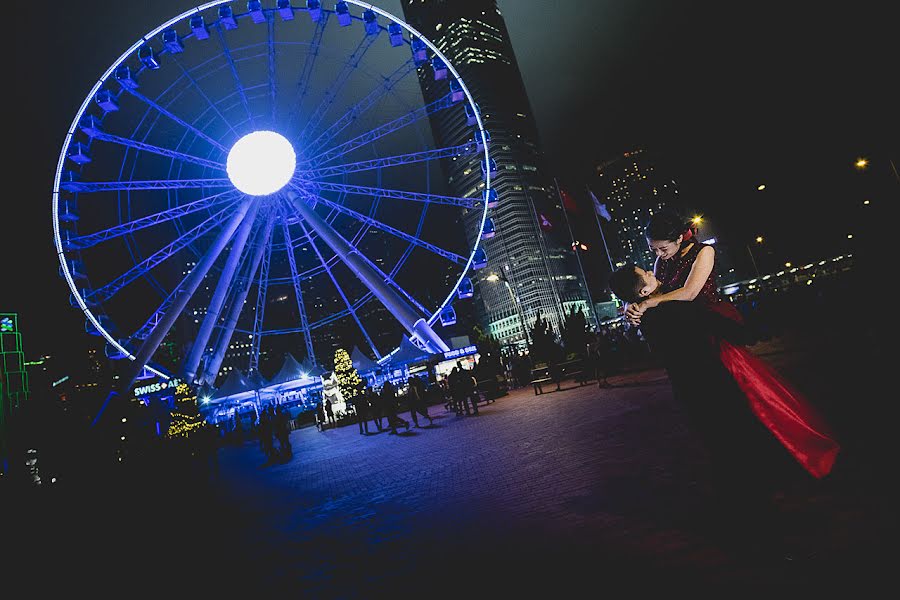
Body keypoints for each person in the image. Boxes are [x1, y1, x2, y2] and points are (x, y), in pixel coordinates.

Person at [608, 209, 841, 551]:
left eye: (661, 249)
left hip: (708, 326)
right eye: (654, 252)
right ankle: (757, 490)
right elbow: (659, 299)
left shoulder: (704, 252)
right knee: (740, 414)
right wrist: (640, 307)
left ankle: (761, 484)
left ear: (678, 237)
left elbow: (688, 294)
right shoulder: (661, 269)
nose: (657, 257)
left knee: (755, 403)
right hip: (692, 340)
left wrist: (647, 304)